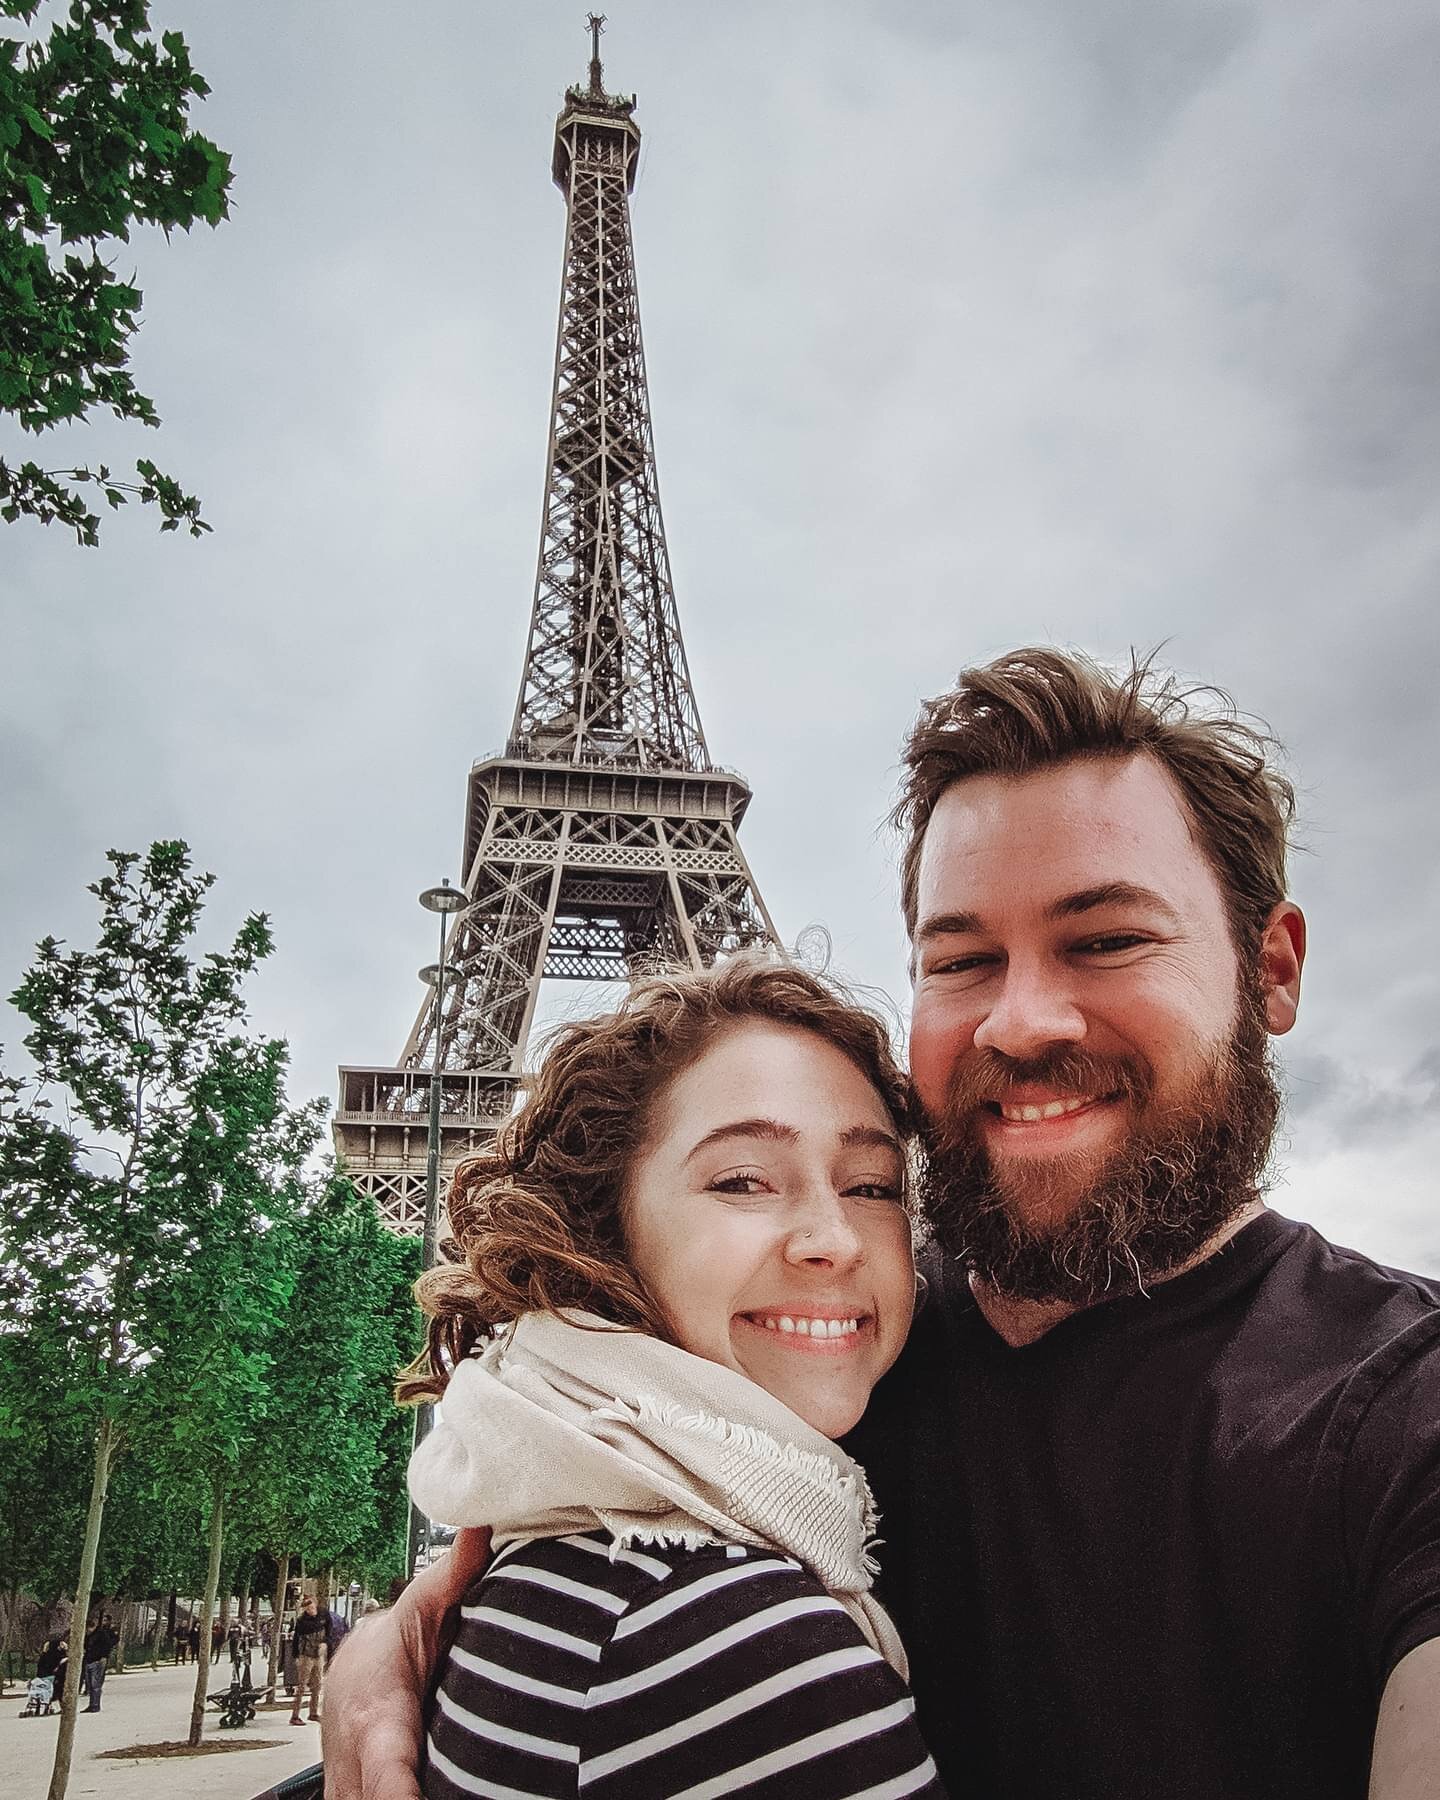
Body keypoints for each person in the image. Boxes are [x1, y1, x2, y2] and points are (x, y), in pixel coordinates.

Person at [322, 648, 1440, 1799]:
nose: (1024, 1019)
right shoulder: (816, 1349)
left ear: (1273, 970)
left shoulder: (1407, 1413)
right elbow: (595, 1520)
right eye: (961, 959)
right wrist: (398, 1643)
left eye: (1106, 940)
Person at [406, 955, 940, 1797]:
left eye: (871, 1185)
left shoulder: (557, 1560)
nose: (834, 1238)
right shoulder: (746, 1649)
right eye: (741, 1180)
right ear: (605, 1231)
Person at [289, 1594, 331, 1725]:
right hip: (306, 1655)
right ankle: (295, 1715)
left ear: (315, 1604)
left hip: (318, 1654)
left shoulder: (324, 1614)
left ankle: (313, 1712)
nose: (310, 1610)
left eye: (311, 1606)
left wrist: (325, 1643)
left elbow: (329, 1630)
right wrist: (296, 1656)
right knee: (302, 1685)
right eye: (307, 1608)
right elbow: (297, 1637)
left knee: (317, 1684)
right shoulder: (302, 1621)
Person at [81, 1612, 118, 1712]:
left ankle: (95, 1705)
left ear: (90, 1627)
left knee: (95, 1684)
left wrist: (103, 1656)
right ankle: (91, 1703)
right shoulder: (89, 1636)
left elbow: (108, 1645)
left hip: (98, 1660)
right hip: (89, 1660)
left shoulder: (101, 1634)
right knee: (90, 1684)